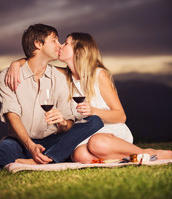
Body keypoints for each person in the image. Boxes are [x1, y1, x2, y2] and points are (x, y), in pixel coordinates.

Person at [5, 32, 172, 163]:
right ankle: (122, 158)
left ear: (79, 50)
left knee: (97, 144)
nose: (61, 45)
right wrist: (15, 64)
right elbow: (37, 62)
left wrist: (93, 110)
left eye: (66, 43)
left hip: (109, 130)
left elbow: (121, 116)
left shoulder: (99, 75)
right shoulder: (65, 75)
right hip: (84, 134)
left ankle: (147, 154)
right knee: (80, 155)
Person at [0, 24, 104, 168]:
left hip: (53, 141)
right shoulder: (8, 76)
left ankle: (47, 158)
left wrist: (62, 122)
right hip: (21, 142)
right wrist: (30, 146)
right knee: (3, 151)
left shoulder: (59, 78)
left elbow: (68, 125)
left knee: (94, 121)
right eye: (54, 40)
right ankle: (52, 157)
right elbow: (12, 116)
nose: (59, 45)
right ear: (38, 44)